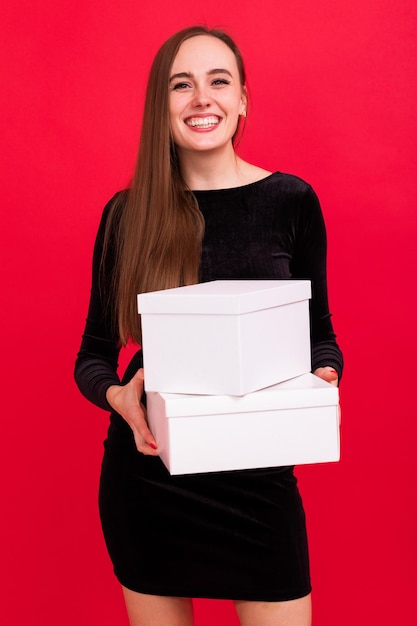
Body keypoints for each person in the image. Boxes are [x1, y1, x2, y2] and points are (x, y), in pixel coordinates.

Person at [75, 25, 343, 626]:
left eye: (218, 81)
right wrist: (119, 395)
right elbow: (92, 355)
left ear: (243, 98)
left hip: (260, 481)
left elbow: (319, 334)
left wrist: (326, 376)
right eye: (181, 84)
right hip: (151, 479)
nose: (202, 98)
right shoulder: (127, 215)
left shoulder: (292, 201)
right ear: (161, 105)